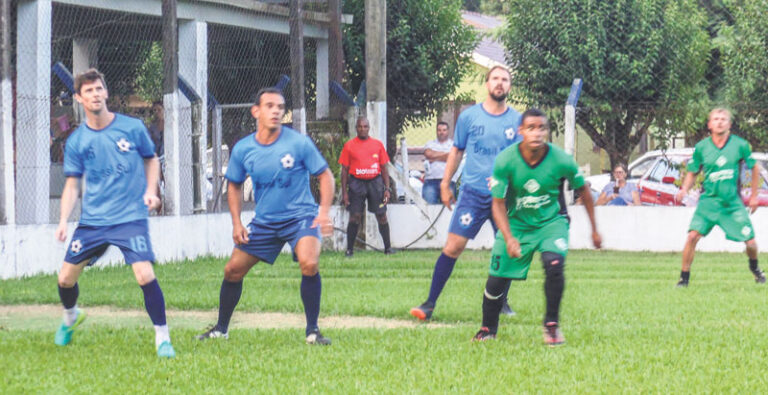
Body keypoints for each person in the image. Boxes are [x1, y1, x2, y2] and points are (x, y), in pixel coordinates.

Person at [197, 87, 335, 345]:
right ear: (256, 111)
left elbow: (325, 175)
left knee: (309, 263)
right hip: (265, 222)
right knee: (232, 271)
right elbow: (234, 185)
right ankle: (221, 329)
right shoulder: (243, 149)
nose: (276, 111)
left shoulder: (298, 143)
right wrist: (237, 222)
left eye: (280, 107)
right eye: (270, 106)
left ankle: (313, 331)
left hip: (301, 217)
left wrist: (324, 212)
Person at [54, 69, 174, 358]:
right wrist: (62, 222)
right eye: (89, 91)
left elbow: (151, 160)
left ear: (106, 93)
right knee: (65, 280)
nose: (95, 94)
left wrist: (151, 191)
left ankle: (163, 338)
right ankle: (71, 316)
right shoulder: (77, 141)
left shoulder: (132, 128)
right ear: (78, 98)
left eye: (99, 89)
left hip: (130, 218)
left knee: (144, 274)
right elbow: (72, 185)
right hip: (93, 221)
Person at [472, 108, 601, 345]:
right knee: (496, 281)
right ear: (521, 131)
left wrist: (594, 229)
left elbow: (583, 190)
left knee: (554, 265)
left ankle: (551, 326)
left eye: (541, 128)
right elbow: (498, 204)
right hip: (516, 224)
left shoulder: (561, 159)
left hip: (551, 223)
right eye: (531, 128)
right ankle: (488, 329)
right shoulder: (506, 160)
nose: (537, 133)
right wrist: (509, 237)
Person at [410, 66, 521, 321]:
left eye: (505, 80)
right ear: (487, 83)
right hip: (473, 193)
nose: (500, 83)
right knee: (453, 246)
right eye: (495, 79)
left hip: (504, 197)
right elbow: (456, 151)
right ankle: (429, 304)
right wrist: (445, 183)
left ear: (509, 87)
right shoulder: (469, 117)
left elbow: (520, 158)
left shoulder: (517, 121)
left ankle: (501, 300)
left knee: (506, 248)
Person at [675, 108, 764, 287]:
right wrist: (684, 189)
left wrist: (754, 196)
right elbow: (693, 171)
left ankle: (754, 268)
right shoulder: (702, 147)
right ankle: (683, 278)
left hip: (732, 204)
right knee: (692, 237)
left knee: (751, 243)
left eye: (723, 119)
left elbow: (754, 168)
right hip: (708, 202)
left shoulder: (740, 145)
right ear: (710, 124)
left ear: (729, 124)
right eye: (716, 119)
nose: (720, 122)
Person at [339, 117, 394, 256]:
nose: (362, 129)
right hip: (356, 183)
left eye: (365, 126)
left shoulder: (377, 145)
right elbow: (344, 170)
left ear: (369, 128)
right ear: (356, 128)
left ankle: (388, 248)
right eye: (359, 126)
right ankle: (349, 250)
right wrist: (344, 193)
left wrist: (387, 189)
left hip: (375, 183)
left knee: (381, 215)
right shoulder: (349, 146)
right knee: (355, 216)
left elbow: (384, 168)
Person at [422, 122, 456, 204]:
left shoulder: (453, 144)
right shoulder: (430, 143)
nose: (442, 132)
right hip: (430, 181)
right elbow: (428, 153)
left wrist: (434, 158)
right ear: (436, 131)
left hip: (448, 181)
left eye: (444, 130)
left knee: (448, 210)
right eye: (439, 130)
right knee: (428, 210)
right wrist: (446, 155)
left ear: (448, 131)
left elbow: (452, 157)